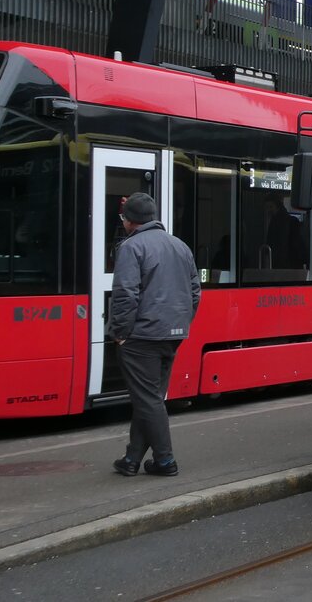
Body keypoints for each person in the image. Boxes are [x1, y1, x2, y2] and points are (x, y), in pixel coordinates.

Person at [109, 192, 201, 477]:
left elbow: (125, 293)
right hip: (172, 333)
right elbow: (195, 292)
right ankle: (132, 459)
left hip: (142, 335)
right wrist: (181, 321)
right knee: (149, 396)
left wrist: (120, 332)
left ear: (128, 221)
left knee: (148, 399)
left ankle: (165, 461)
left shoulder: (131, 247)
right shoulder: (180, 246)